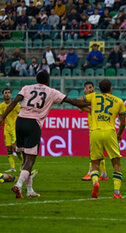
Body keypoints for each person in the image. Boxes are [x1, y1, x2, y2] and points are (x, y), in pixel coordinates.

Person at [0, 70, 89, 198]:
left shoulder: (27, 88)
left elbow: (14, 102)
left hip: (19, 122)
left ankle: (30, 190)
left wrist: (2, 116)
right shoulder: (52, 92)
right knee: (31, 159)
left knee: (25, 159)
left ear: (37, 79)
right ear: (48, 80)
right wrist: (91, 103)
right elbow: (72, 102)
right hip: (33, 124)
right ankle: (18, 185)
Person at [82, 79, 126, 199]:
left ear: (99, 89)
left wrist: (84, 106)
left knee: (95, 163)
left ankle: (95, 182)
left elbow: (78, 101)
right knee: (116, 163)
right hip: (110, 132)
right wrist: (119, 134)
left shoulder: (93, 97)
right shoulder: (119, 101)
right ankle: (117, 192)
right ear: (111, 88)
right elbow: (123, 123)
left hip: (95, 131)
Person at [81, 82, 109, 181]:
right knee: (98, 152)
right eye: (87, 88)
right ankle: (104, 173)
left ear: (94, 88)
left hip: (97, 128)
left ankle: (90, 172)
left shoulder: (96, 97)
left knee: (92, 151)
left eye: (90, 87)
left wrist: (82, 104)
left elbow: (87, 109)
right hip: (93, 128)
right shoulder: (88, 98)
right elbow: (82, 108)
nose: (89, 90)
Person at [0, 88, 23, 172]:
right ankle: (13, 168)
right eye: (5, 93)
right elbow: (1, 117)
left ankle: (22, 162)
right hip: (7, 129)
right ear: (3, 95)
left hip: (15, 128)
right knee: (9, 148)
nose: (7, 94)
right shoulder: (1, 106)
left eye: (9, 93)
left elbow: (22, 114)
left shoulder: (16, 105)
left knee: (15, 147)